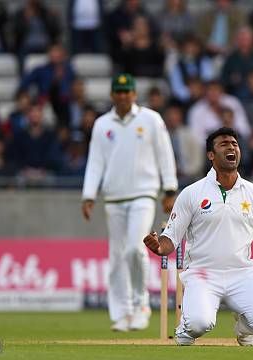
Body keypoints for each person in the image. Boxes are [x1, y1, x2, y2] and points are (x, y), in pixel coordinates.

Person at [143, 127, 253, 346]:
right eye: (224, 144)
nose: (231, 147)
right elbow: (171, 237)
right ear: (211, 155)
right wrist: (159, 247)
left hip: (242, 274)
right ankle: (186, 327)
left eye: (234, 144)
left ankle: (245, 327)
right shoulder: (192, 193)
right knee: (199, 324)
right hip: (202, 274)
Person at [81, 73, 178, 332]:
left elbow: (164, 153)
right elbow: (95, 162)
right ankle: (122, 313)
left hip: (144, 194)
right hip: (113, 197)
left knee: (134, 249)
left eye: (127, 91)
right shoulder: (103, 124)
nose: (123, 96)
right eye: (118, 92)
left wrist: (170, 188)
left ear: (134, 94)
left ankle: (141, 305)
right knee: (116, 257)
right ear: (112, 95)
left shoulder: (150, 119)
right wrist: (89, 195)